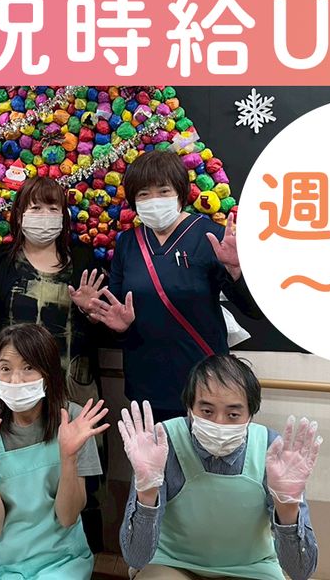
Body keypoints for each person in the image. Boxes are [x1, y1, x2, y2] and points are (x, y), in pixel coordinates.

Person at [82, 150, 263, 421]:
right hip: (146, 381)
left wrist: (236, 271)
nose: (154, 200)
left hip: (206, 384)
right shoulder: (128, 243)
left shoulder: (210, 236)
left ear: (180, 192)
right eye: (144, 194)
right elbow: (118, 313)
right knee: (151, 449)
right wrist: (103, 317)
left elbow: (254, 311)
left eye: (163, 191)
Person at [0, 175, 110, 550]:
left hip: (74, 385)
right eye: (35, 207)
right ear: (19, 214)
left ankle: (84, 556)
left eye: (53, 207)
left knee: (82, 471)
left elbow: (103, 326)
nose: (43, 215)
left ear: (64, 215)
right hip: (15, 389)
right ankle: (14, 550)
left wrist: (92, 312)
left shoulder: (82, 259)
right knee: (13, 470)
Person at [118, 355, 321, 580]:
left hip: (252, 567)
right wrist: (146, 493)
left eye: (233, 415)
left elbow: (301, 571)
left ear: (250, 415)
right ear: (189, 408)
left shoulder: (272, 451)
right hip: (172, 562)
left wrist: (287, 507)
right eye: (207, 411)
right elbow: (136, 557)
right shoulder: (161, 444)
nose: (219, 423)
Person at [0, 324, 108, 579]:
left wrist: (69, 457)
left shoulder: (75, 422)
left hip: (59, 559)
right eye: (5, 369)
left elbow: (68, 517)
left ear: (49, 373)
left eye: (29, 367)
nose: (16, 380)